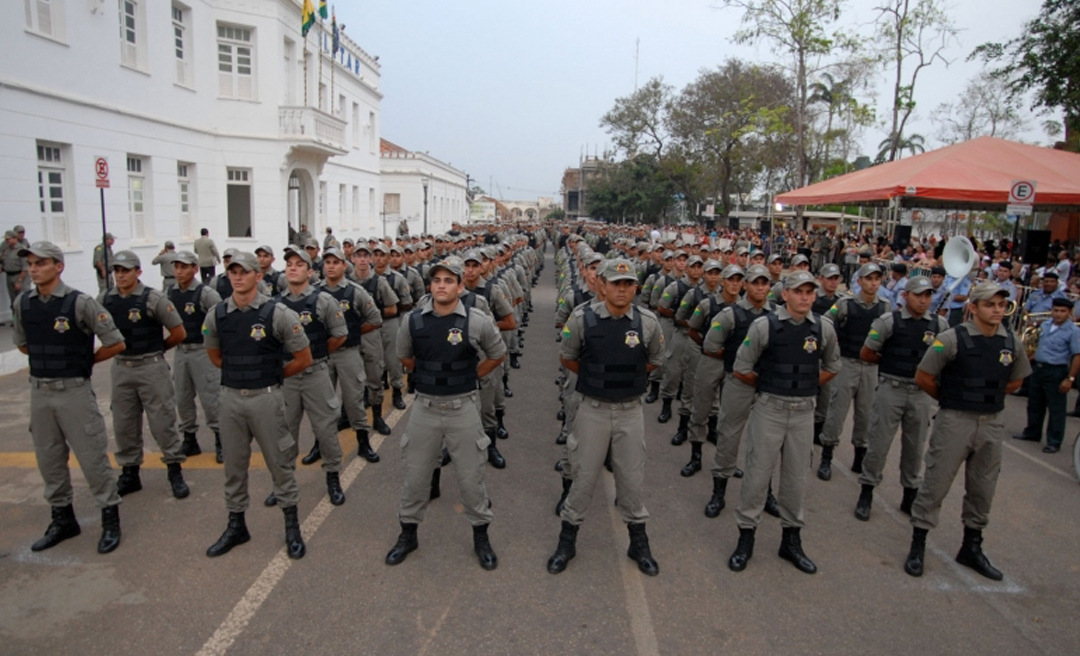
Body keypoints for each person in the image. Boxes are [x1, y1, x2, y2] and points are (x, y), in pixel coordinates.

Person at [903, 281, 1030, 580]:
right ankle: (918, 544)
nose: (997, 310)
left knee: (983, 488)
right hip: (956, 420)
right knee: (936, 482)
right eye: (990, 304)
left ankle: (971, 547)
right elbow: (924, 377)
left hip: (991, 423)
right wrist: (952, 400)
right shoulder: (950, 339)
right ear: (973, 307)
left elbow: (1015, 382)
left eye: (1001, 304)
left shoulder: (1012, 342)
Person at [385, 258, 506, 570]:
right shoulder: (413, 321)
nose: (441, 285)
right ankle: (407, 534)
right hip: (424, 407)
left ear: (459, 286)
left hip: (462, 408)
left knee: (471, 477)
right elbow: (404, 356)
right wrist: (430, 374)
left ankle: (481, 536)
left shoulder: (476, 320)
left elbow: (497, 353)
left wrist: (470, 376)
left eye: (448, 280)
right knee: (415, 475)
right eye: (436, 280)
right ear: (430, 285)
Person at [547, 259, 664, 576]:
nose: (622, 289)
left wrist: (624, 379)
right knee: (583, 477)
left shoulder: (647, 322)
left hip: (630, 411)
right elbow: (568, 357)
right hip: (593, 410)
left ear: (635, 287)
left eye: (628, 283)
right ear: (602, 285)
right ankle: (567, 541)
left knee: (630, 478)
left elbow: (654, 360)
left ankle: (638, 542)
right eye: (616, 283)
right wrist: (598, 379)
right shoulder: (582, 318)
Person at [15, 241, 126, 554]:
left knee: (91, 456)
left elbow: (115, 343)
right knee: (49, 459)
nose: (33, 269)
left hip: (73, 392)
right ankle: (63, 519)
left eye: (40, 263)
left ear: (58, 266)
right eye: (30, 264)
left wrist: (83, 360)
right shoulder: (23, 303)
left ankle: (110, 517)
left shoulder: (80, 303)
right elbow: (24, 344)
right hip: (40, 391)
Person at [727, 271, 841, 574]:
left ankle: (791, 541)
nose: (804, 297)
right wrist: (771, 385)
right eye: (798, 291)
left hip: (803, 412)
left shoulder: (823, 328)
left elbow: (833, 365)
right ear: (785, 294)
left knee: (795, 479)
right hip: (770, 409)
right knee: (756, 475)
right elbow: (742, 366)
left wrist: (803, 385)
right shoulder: (765, 326)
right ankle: (746, 538)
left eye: (809, 292)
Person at [202, 252, 313, 560]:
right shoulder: (217, 314)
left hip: (266, 398)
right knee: (234, 466)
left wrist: (272, 376)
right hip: (231, 399)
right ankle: (236, 525)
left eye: (244, 271)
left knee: (280, 464)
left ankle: (292, 526)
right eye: (232, 271)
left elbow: (304, 358)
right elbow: (215, 356)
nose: (237, 277)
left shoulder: (277, 313)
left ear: (258, 276)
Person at [854, 276, 949, 521]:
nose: (923, 300)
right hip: (891, 388)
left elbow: (945, 358)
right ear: (906, 296)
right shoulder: (889, 322)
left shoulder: (939, 325)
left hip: (920, 394)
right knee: (878, 443)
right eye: (918, 295)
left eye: (928, 295)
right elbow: (867, 352)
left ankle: (909, 494)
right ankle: (866, 492)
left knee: (915, 447)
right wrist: (888, 365)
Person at [264, 246, 349, 507]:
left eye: (299, 264)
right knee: (283, 431)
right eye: (289, 263)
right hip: (287, 376)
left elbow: (339, 335)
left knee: (325, 429)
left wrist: (315, 356)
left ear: (310, 272)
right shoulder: (274, 305)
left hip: (316, 374)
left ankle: (333, 477)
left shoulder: (323, 301)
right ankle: (283, 483)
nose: (292, 267)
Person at [102, 251, 190, 500]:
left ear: (138, 272)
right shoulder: (106, 299)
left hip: (150, 367)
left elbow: (178, 332)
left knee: (162, 420)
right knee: (124, 422)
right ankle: (130, 473)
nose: (120, 275)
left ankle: (174, 470)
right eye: (117, 270)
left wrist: (158, 350)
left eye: (125, 270)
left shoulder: (153, 298)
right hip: (121, 367)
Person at [819, 263, 891, 480]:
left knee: (866, 414)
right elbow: (825, 322)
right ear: (859, 281)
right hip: (847, 363)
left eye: (877, 279)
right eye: (869, 279)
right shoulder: (845, 303)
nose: (873, 283)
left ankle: (860, 455)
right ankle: (827, 455)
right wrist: (833, 349)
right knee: (837, 411)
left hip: (870, 368)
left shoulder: (885, 307)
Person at [322, 248, 382, 464]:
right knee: (323, 403)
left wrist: (352, 332)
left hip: (348, 353)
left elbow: (375, 318)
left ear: (344, 266)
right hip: (324, 355)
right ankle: (319, 445)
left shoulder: (355, 291)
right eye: (327, 261)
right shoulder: (315, 292)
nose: (330, 266)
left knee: (354, 400)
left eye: (335, 262)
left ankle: (363, 443)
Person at [168, 250, 224, 461]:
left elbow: (220, 319)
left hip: (202, 351)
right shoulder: (170, 293)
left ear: (194, 268)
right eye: (176, 267)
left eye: (184, 267)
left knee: (210, 396)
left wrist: (209, 338)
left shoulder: (205, 293)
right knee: (182, 397)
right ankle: (189, 439)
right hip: (181, 352)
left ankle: (221, 440)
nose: (179, 271)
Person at [1012, 297, 1080, 453]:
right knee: (1035, 403)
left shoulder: (1073, 331)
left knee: (1056, 409)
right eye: (1055, 310)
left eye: (1062, 311)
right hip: (1039, 368)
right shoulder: (1046, 325)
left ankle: (1054, 441)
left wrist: (1070, 378)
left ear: (1069, 312)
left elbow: (1077, 355)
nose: (1058, 314)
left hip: (1056, 371)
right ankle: (1032, 432)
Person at [351, 243, 399, 435]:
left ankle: (377, 417)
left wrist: (371, 316)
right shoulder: (346, 283)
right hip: (351, 336)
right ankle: (350, 417)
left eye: (365, 255)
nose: (362, 259)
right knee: (352, 378)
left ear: (370, 259)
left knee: (374, 374)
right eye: (358, 255)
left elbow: (392, 308)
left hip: (371, 334)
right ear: (353, 258)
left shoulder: (379, 282)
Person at [2, 230, 27, 311]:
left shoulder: (21, 250)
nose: (6, 241)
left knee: (21, 300)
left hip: (19, 276)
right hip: (9, 276)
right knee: (13, 302)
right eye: (6, 239)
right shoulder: (6, 249)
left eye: (8, 239)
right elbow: (4, 262)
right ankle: (15, 321)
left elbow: (25, 268)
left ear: (15, 238)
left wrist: (19, 281)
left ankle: (23, 321)